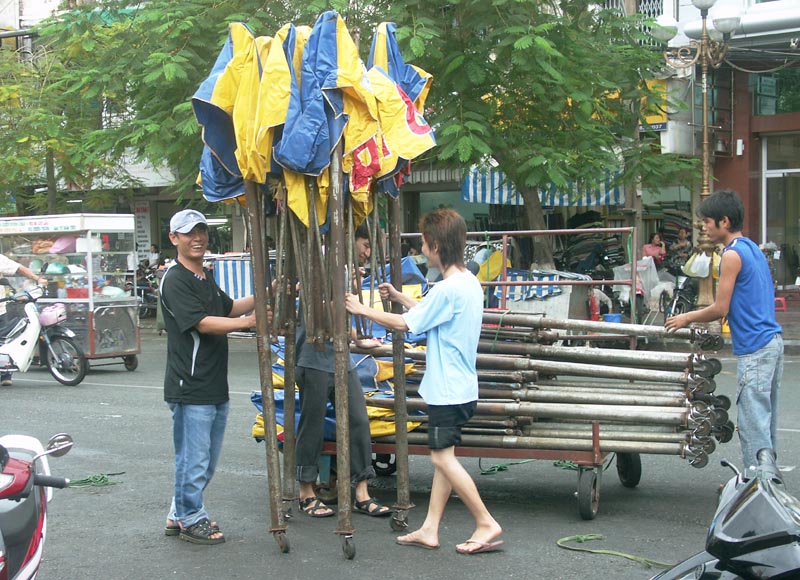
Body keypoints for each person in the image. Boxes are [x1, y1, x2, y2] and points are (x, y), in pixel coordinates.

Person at [345, 208, 503, 555]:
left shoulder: (448, 289)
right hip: (462, 388)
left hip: (448, 391)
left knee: (441, 460)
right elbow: (432, 310)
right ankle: (430, 528)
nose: (422, 249)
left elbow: (405, 325)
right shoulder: (466, 283)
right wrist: (400, 299)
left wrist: (361, 309)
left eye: (423, 243)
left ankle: (485, 521)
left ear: (434, 245)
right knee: (444, 460)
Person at [160, 209, 270, 545]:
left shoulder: (203, 275)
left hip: (213, 384)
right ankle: (191, 518)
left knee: (203, 461)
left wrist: (268, 294)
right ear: (174, 238)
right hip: (189, 385)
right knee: (194, 460)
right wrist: (247, 324)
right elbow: (203, 323)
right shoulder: (175, 278)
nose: (198, 238)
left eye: (202, 231)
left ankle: (178, 513)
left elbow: (228, 308)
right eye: (189, 232)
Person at [665, 189, 783, 468]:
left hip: (755, 347)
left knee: (753, 421)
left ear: (724, 222)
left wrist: (686, 318)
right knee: (766, 422)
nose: (703, 228)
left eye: (707, 221)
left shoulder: (731, 256)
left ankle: (757, 484)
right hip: (772, 342)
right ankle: (768, 480)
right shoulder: (752, 247)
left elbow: (720, 308)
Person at [294, 224, 391, 519]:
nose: (368, 252)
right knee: (311, 424)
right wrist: (344, 294)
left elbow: (340, 317)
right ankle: (306, 492)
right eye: (365, 244)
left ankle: (362, 490)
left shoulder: (346, 270)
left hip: (340, 355)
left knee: (359, 419)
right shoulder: (320, 264)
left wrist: (355, 338)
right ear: (351, 241)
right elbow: (319, 314)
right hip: (313, 354)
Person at [0, 254, 47, 386]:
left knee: (5, 340)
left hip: (0, 308)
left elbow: (19, 268)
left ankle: (5, 374)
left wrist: (37, 279)